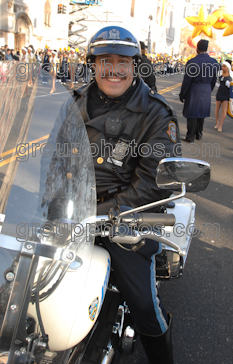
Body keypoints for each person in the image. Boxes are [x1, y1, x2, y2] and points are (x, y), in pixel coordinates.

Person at [70, 26, 179, 363]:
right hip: (71, 209)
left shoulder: (155, 113)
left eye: (122, 60)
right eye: (105, 60)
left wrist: (100, 213)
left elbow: (154, 182)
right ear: (93, 64)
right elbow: (48, 156)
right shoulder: (70, 103)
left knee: (144, 304)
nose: (113, 69)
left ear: (135, 65)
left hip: (124, 219)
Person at [179, 39, 218, 142]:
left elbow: (187, 81)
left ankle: (190, 136)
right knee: (201, 113)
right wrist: (209, 89)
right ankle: (199, 133)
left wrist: (182, 94)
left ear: (197, 48)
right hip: (206, 89)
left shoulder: (192, 62)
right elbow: (214, 80)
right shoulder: (214, 63)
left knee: (192, 114)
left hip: (194, 89)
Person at [214, 62, 233, 132]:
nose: (223, 68)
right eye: (222, 66)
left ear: (228, 67)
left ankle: (221, 125)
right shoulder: (220, 74)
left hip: (226, 94)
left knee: (224, 110)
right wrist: (217, 84)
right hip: (220, 92)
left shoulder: (231, 75)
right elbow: (216, 82)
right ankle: (217, 123)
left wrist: (230, 84)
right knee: (217, 108)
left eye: (225, 66)